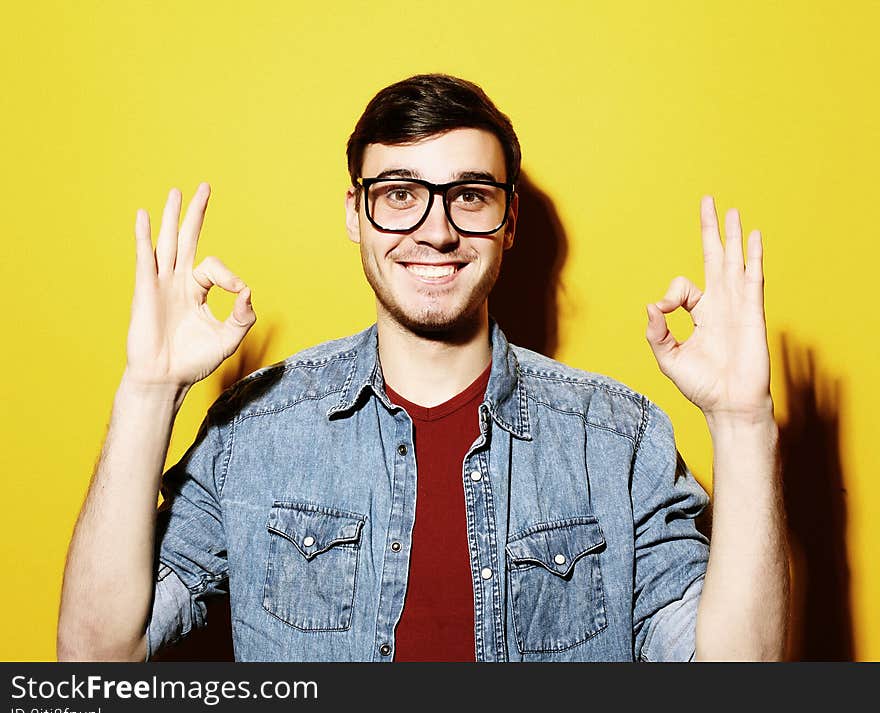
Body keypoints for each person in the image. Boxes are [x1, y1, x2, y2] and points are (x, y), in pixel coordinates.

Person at [57, 74, 789, 662]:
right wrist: (148, 393)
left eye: (469, 195)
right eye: (399, 194)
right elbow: (95, 656)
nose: (435, 232)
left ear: (508, 222)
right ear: (355, 214)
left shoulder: (618, 440)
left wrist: (744, 423)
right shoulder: (255, 431)